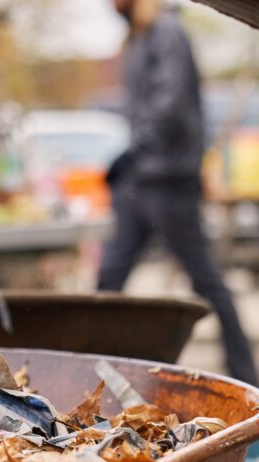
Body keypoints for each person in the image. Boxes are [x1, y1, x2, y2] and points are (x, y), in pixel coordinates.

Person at [99, 0, 257, 385]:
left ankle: (246, 375)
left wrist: (134, 150)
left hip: (169, 182)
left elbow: (170, 106)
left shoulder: (167, 32)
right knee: (108, 280)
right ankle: (94, 369)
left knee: (206, 280)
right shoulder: (137, 38)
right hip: (140, 183)